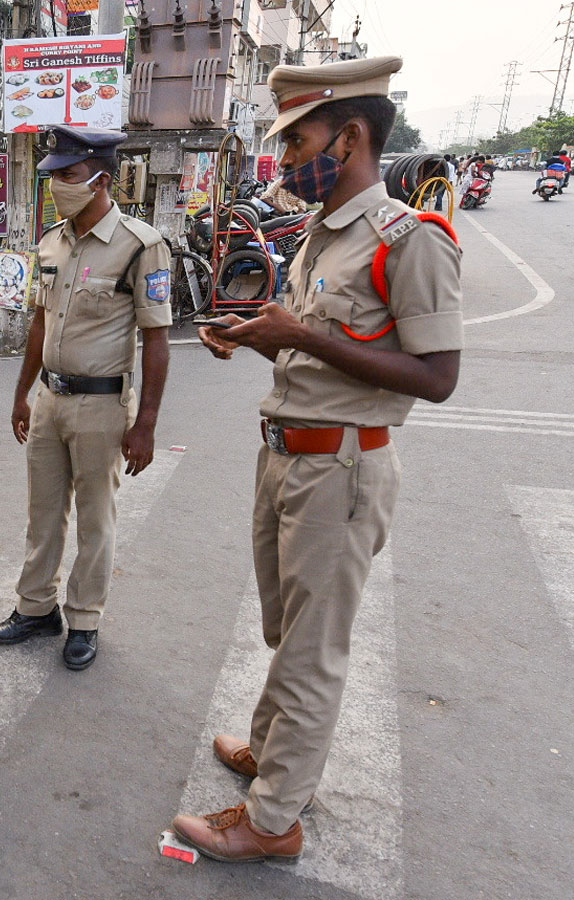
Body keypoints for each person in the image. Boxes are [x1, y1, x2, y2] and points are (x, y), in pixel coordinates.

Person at [168, 55, 463, 861]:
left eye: (298, 143)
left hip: (340, 471)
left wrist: (297, 334)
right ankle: (275, 754)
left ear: (353, 134)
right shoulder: (321, 239)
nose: (288, 161)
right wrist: (261, 338)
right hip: (288, 460)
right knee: (286, 628)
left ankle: (273, 821)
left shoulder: (410, 239)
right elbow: (323, 355)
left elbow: (438, 377)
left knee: (311, 647)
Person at [0, 126, 171, 671]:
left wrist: (146, 425)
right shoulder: (52, 241)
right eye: (53, 178)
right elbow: (40, 325)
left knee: (96, 519)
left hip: (102, 407)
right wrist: (22, 393)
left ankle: (84, 618)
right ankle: (36, 607)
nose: (56, 187)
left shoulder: (140, 245)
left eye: (67, 176)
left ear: (100, 180)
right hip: (50, 400)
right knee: (42, 514)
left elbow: (157, 341)